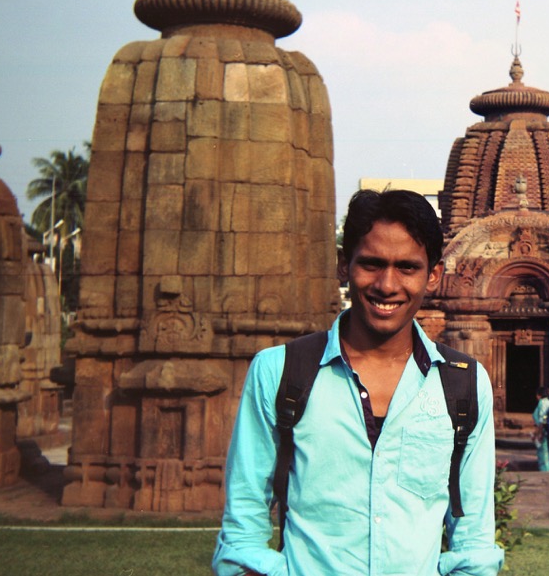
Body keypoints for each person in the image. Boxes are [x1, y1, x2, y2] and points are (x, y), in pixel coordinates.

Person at [212, 189, 503, 576]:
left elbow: (474, 535)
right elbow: (243, 520)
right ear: (342, 265)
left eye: (407, 267)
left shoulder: (461, 385)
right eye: (371, 263)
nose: (386, 284)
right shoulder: (281, 372)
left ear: (433, 275)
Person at [531, 387, 549, 472]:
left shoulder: (542, 403)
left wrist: (538, 434)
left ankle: (546, 471)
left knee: (543, 452)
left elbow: (542, 420)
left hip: (543, 431)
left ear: (538, 395)